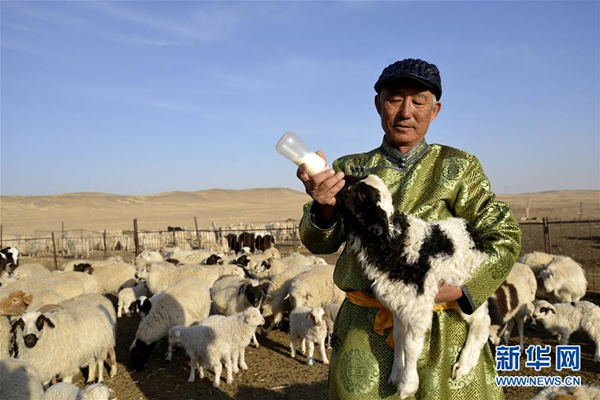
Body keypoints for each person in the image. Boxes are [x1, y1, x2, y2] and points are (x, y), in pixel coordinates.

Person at [296, 58, 522, 400]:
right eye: (395, 99)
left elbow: (504, 235)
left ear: (435, 110)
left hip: (445, 326)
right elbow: (318, 242)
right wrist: (325, 208)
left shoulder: (459, 167)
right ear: (378, 104)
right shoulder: (349, 169)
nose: (406, 112)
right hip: (366, 326)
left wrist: (462, 290)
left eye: (418, 101)